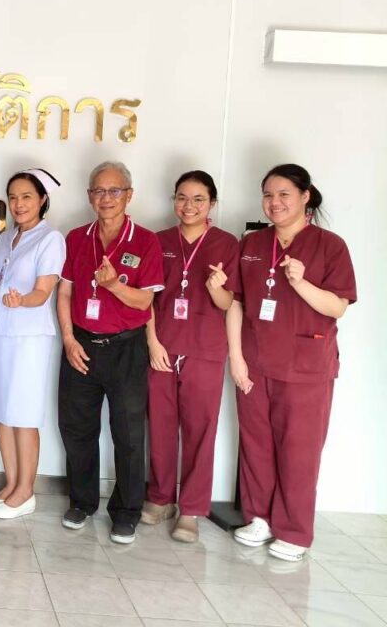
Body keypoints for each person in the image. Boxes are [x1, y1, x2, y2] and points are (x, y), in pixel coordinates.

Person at [229, 164, 356, 561]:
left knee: (299, 450)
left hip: (306, 367)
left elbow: (337, 306)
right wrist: (236, 358)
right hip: (255, 361)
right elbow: (236, 302)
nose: (275, 202)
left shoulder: (330, 246)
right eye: (268, 194)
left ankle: (295, 531)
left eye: (284, 194)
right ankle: (259, 518)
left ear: (305, 196)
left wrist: (300, 282)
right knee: (256, 444)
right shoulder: (252, 243)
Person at [56, 161, 163, 545]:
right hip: (82, 345)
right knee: (77, 428)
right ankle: (82, 502)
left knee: (129, 435)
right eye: (99, 191)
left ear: (128, 195)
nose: (106, 198)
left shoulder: (146, 241)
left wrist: (115, 285)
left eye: (114, 190)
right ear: (89, 196)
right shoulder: (76, 237)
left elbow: (145, 302)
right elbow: (64, 292)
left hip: (126, 349)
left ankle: (127, 512)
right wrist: (69, 339)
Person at [142, 170, 239, 542]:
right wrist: (153, 342)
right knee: (160, 427)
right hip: (163, 349)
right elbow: (147, 299)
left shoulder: (227, 244)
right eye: (182, 197)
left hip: (205, 350)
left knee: (200, 431)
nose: (189, 205)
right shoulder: (158, 241)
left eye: (199, 199)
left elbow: (229, 303)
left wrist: (216, 289)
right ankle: (160, 498)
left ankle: (192, 510)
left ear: (212, 203)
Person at [0, 169, 65, 520]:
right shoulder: (5, 239)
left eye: (27, 196)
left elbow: (43, 292)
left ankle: (26, 491)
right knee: (1, 410)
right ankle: (11, 484)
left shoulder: (50, 239)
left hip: (28, 338)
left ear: (42, 199)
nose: (18, 204)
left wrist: (22, 302)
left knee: (23, 413)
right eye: (13, 197)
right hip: (0, 332)